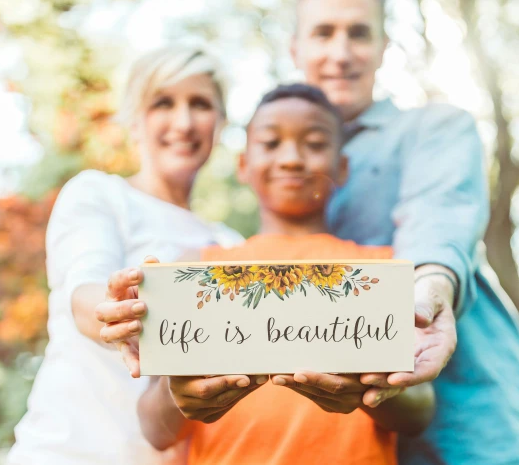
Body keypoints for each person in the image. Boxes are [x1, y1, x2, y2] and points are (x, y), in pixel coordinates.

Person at [101, 0, 519, 465]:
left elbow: (438, 224)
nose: (340, 53)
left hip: (473, 435)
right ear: (296, 48)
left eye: (359, 33)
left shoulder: (433, 130)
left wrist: (430, 289)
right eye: (323, 33)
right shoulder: (216, 260)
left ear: (385, 47)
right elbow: (166, 399)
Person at [100, 83, 434, 465]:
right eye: (271, 143)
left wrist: (374, 392)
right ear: (243, 165)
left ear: (342, 167)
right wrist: (178, 398)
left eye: (314, 143)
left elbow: (420, 412)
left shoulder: (383, 270)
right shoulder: (197, 270)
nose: (291, 158)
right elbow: (155, 430)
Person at [7, 45, 242, 465]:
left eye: (201, 104)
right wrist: (123, 309)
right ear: (135, 119)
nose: (184, 122)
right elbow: (83, 298)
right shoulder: (101, 195)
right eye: (163, 103)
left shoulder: (231, 245)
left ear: (220, 123)